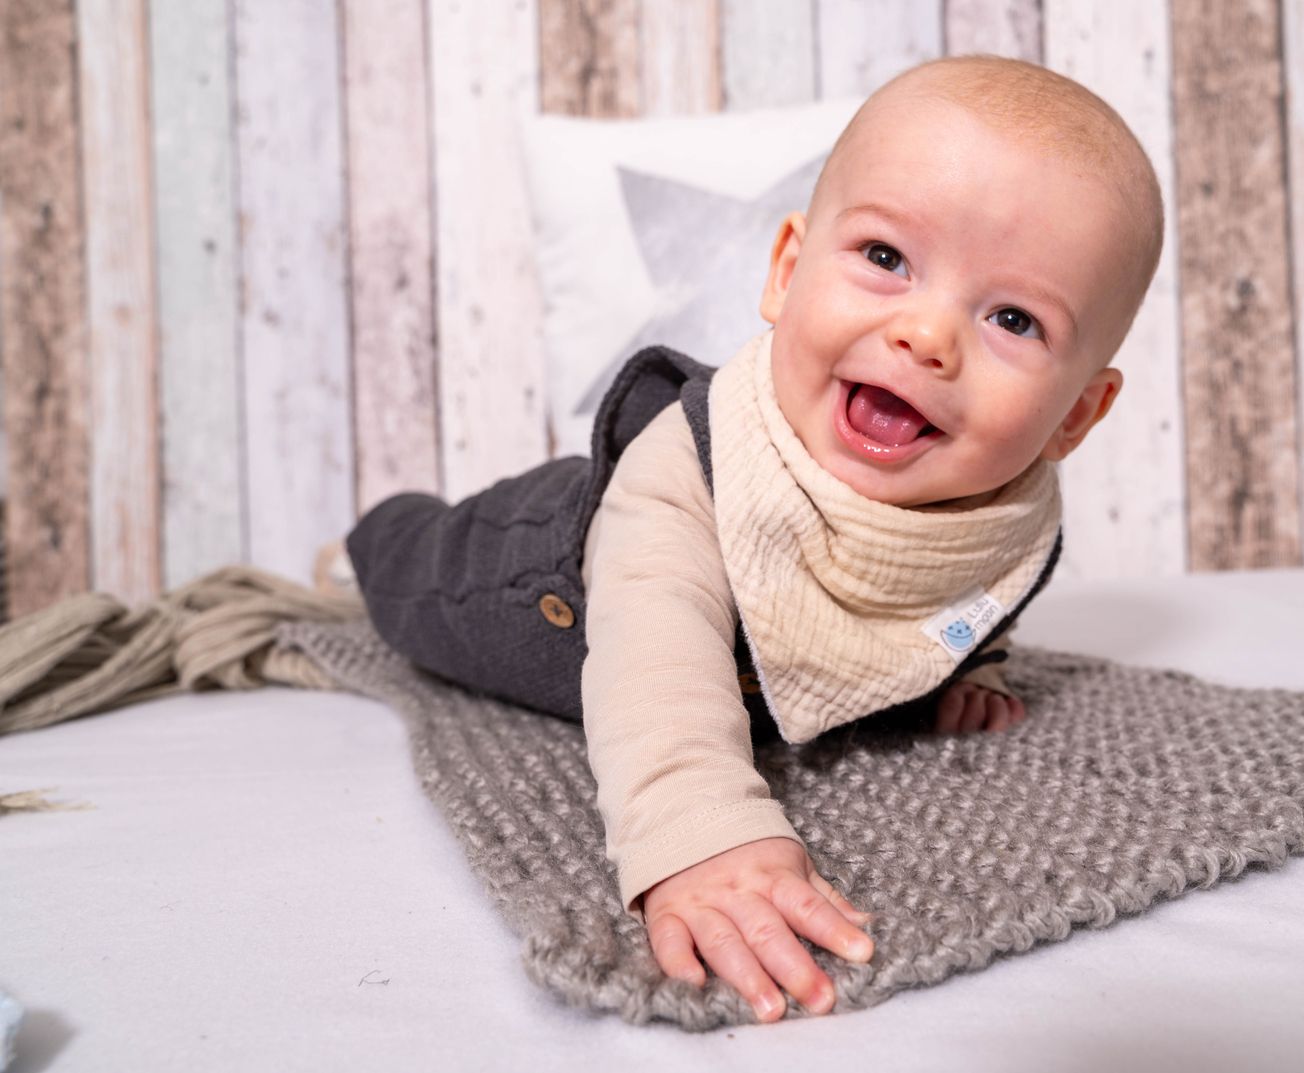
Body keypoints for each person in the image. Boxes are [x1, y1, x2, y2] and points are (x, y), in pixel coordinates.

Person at [333, 53, 1164, 1022]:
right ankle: (363, 538)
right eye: (886, 259)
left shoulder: (999, 517)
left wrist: (966, 669)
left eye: (1012, 317)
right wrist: (698, 830)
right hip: (536, 578)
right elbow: (656, 646)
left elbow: (951, 593)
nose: (927, 335)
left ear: (1076, 414)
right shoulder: (691, 467)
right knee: (409, 570)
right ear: (784, 270)